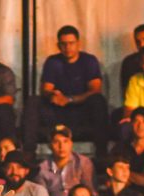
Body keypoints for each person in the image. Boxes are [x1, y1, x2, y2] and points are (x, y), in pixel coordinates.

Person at [30, 26, 109, 158]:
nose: (68, 47)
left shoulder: (89, 61)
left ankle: (102, 154)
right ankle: (28, 154)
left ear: (78, 43)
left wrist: (70, 99)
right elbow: (46, 90)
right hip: (57, 110)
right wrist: (54, 96)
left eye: (71, 43)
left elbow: (95, 90)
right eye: (64, 44)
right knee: (33, 101)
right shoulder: (52, 61)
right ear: (58, 45)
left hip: (81, 111)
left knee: (98, 101)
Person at [36, 125, 96, 196]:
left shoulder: (83, 163)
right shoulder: (42, 168)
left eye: (65, 141)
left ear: (71, 143)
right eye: (56, 142)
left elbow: (91, 192)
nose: (61, 146)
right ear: (49, 145)